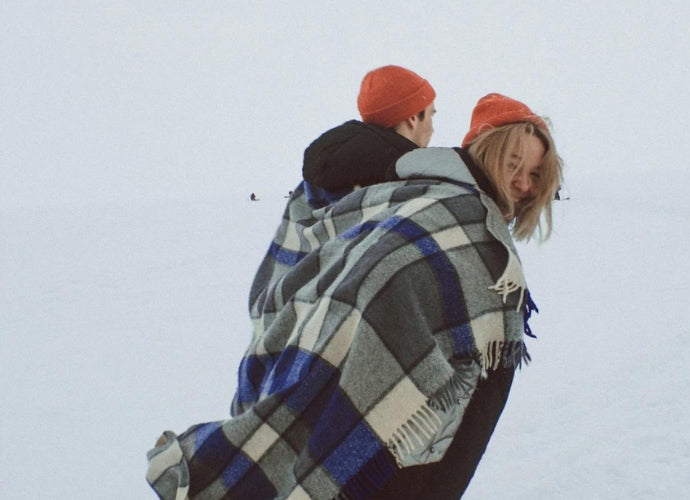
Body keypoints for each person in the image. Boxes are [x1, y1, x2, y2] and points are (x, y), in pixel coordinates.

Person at [146, 93, 563, 499]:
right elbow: (377, 278)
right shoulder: (455, 211)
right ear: (486, 152)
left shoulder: (423, 193)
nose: (523, 184)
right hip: (407, 441)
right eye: (513, 165)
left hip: (406, 421)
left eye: (535, 175)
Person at [248, 64, 436, 314]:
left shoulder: (310, 187)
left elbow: (277, 279)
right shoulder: (408, 192)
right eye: (431, 115)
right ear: (413, 117)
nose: (433, 128)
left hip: (294, 336)